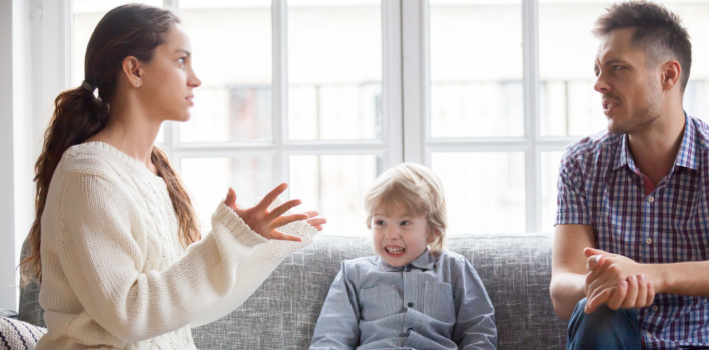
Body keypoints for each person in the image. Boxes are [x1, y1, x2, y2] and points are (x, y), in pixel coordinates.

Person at [19, 4, 326, 349]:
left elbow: (183, 309)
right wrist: (226, 241)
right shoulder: (89, 176)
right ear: (135, 70)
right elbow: (129, 314)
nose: (196, 79)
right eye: (181, 61)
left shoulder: (153, 174)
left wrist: (257, 242)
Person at [549, 1, 709, 349]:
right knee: (596, 311)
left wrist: (656, 276)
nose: (599, 84)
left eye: (616, 68)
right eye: (597, 70)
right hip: (623, 340)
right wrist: (608, 283)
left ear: (668, 75)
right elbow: (562, 289)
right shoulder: (581, 163)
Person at [309, 163, 497, 349]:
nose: (391, 234)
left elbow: (479, 332)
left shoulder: (454, 268)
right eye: (380, 222)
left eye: (405, 223)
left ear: (433, 230)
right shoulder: (353, 274)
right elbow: (330, 338)